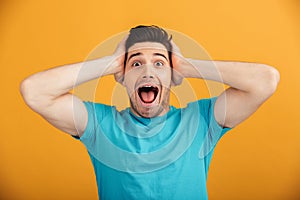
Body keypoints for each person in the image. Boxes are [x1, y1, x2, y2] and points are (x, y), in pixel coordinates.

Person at [20, 25, 280, 200]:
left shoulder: (201, 120)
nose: (147, 72)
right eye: (135, 63)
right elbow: (34, 91)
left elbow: (266, 80)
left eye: (159, 63)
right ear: (121, 77)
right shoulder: (99, 125)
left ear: (173, 76)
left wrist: (185, 66)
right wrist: (111, 62)